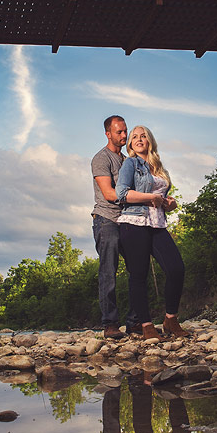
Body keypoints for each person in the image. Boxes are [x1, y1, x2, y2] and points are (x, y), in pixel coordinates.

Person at [115, 125, 190, 340]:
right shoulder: (130, 163)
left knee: (176, 268)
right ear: (130, 144)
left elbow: (161, 195)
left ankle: (170, 319)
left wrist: (170, 202)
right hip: (134, 222)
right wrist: (150, 199)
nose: (139, 139)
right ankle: (146, 325)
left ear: (150, 140)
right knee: (139, 275)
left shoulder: (159, 167)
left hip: (157, 224)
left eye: (143, 136)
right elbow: (121, 194)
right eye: (134, 137)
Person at [90, 115, 129, 340]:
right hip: (106, 219)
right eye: (118, 132)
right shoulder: (101, 158)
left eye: (125, 131)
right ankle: (110, 324)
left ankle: (135, 322)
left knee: (138, 267)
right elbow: (109, 194)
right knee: (108, 271)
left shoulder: (127, 160)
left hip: (127, 220)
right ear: (108, 133)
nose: (123, 136)